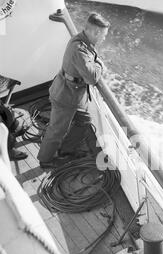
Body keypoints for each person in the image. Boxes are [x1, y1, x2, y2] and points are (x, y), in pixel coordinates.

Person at [37, 13, 110, 169]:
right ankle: (45, 160)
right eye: (104, 35)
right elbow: (92, 78)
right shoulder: (79, 49)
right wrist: (100, 65)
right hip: (66, 96)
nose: (104, 38)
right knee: (56, 130)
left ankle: (66, 151)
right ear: (95, 32)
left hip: (75, 94)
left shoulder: (83, 41)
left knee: (84, 121)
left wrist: (94, 63)